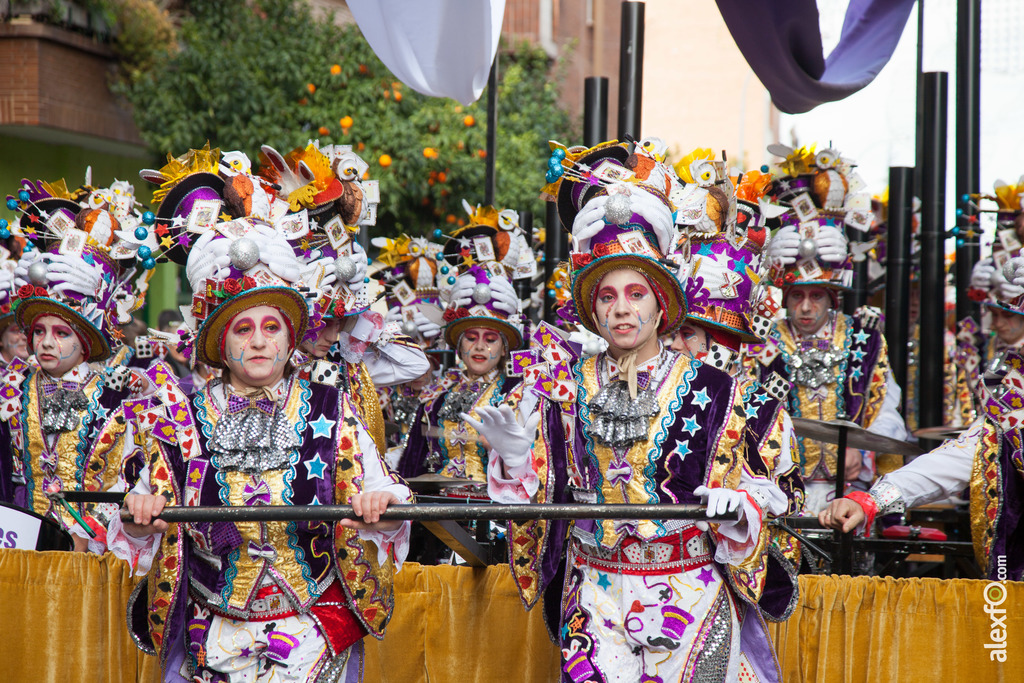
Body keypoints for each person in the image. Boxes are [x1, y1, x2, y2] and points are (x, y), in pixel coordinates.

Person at [469, 142, 798, 682]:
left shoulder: (718, 389)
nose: (621, 308)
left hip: (690, 589)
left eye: (636, 293)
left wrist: (743, 506)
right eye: (607, 296)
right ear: (591, 307)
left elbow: (771, 485)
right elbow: (541, 498)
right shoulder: (562, 387)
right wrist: (515, 462)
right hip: (596, 594)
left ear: (660, 302)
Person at [109, 222, 412, 682]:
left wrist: (383, 507)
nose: (257, 341)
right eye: (242, 329)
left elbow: (389, 502)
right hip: (210, 628)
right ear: (221, 346)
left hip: (314, 628)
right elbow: (135, 520)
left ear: (291, 343)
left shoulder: (332, 407)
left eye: (271, 328)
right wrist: (140, 510)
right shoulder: (178, 417)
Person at [0, 177, 156, 552]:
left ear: (86, 342)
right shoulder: (12, 386)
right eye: (39, 331)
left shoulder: (118, 392)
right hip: (18, 544)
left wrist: (92, 535)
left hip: (93, 552)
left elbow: (131, 479)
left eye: (62, 333)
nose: (47, 342)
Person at [754, 144, 909, 513]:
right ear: (785, 296)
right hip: (782, 492)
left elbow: (887, 408)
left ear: (833, 298)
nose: (805, 307)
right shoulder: (763, 341)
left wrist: (863, 449)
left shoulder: (863, 338)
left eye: (816, 296)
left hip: (849, 489)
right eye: (796, 296)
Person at [397, 262, 524, 483]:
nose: (480, 347)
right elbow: (412, 465)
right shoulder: (434, 398)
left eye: (491, 339)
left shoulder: (517, 395)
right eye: (471, 338)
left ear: (504, 348)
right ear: (459, 345)